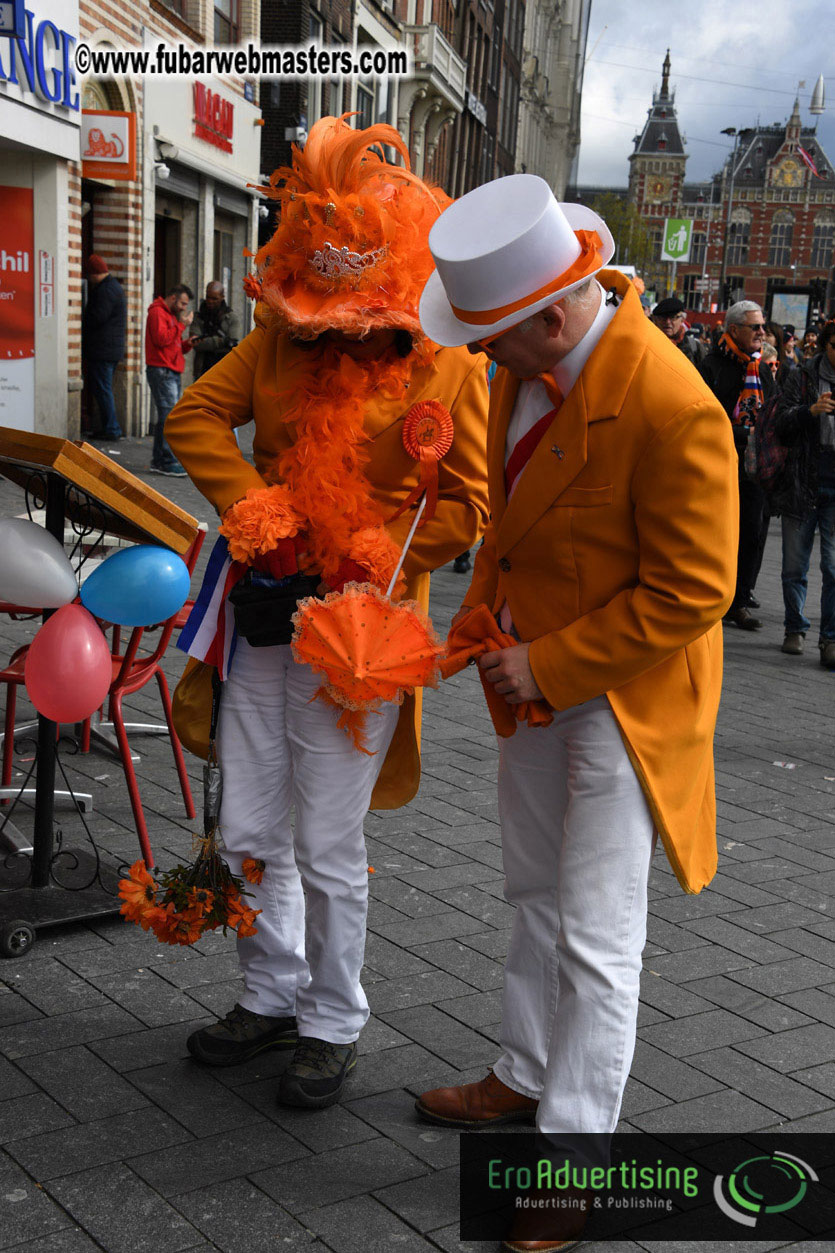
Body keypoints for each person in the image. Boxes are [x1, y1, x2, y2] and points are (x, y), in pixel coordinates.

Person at [413, 175, 737, 1246]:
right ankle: (521, 1069)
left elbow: (696, 590)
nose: (478, 362)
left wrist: (547, 663)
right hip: (533, 682)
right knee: (531, 892)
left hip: (616, 701)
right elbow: (508, 518)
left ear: (552, 314)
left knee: (599, 936)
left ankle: (575, 1157)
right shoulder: (530, 365)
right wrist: (480, 617)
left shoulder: (673, 400)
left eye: (489, 340)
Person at [166, 117, 489, 1109]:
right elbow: (192, 418)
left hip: (360, 637)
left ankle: (333, 1018)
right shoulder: (274, 341)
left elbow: (471, 502)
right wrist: (247, 502)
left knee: (330, 840)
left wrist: (382, 551)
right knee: (256, 820)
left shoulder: (445, 365)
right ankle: (268, 993)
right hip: (265, 622)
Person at [699, 301, 776, 628]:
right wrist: (739, 431)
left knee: (752, 532)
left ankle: (740, 599)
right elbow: (702, 414)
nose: (762, 332)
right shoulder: (713, 365)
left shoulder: (762, 367)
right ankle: (710, 593)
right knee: (717, 532)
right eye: (754, 327)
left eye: (762, 326)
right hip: (719, 460)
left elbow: (774, 408)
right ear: (733, 330)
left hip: (755, 465)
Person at [771, 320, 835, 666]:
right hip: (804, 481)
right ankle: (795, 628)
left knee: (834, 566)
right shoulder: (804, 376)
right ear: (826, 345)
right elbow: (781, 422)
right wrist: (811, 412)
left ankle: (830, 639)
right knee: (795, 565)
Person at [145, 283, 198, 477]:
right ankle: (165, 461)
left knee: (166, 417)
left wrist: (186, 345)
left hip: (169, 369)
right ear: (173, 298)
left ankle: (160, 460)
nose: (184, 308)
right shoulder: (158, 313)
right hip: (162, 370)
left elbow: (171, 344)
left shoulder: (168, 315)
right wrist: (182, 325)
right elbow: (161, 339)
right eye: (183, 303)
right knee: (169, 417)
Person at [82, 254, 126, 441]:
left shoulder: (106, 290)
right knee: (103, 389)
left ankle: (111, 429)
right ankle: (109, 427)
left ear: (93, 273)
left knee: (103, 389)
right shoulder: (112, 287)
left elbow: (97, 317)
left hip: (102, 350)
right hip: (109, 349)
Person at [193, 282, 240, 378]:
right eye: (208, 297)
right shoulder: (199, 317)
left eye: (214, 299)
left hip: (225, 370)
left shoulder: (231, 317)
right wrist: (222, 341)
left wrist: (208, 341)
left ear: (222, 297)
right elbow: (196, 343)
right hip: (203, 369)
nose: (210, 301)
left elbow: (233, 342)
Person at [650, 296, 704, 365]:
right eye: (663, 318)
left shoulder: (694, 347)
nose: (667, 322)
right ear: (656, 320)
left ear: (682, 320)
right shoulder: (648, 344)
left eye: (673, 317)